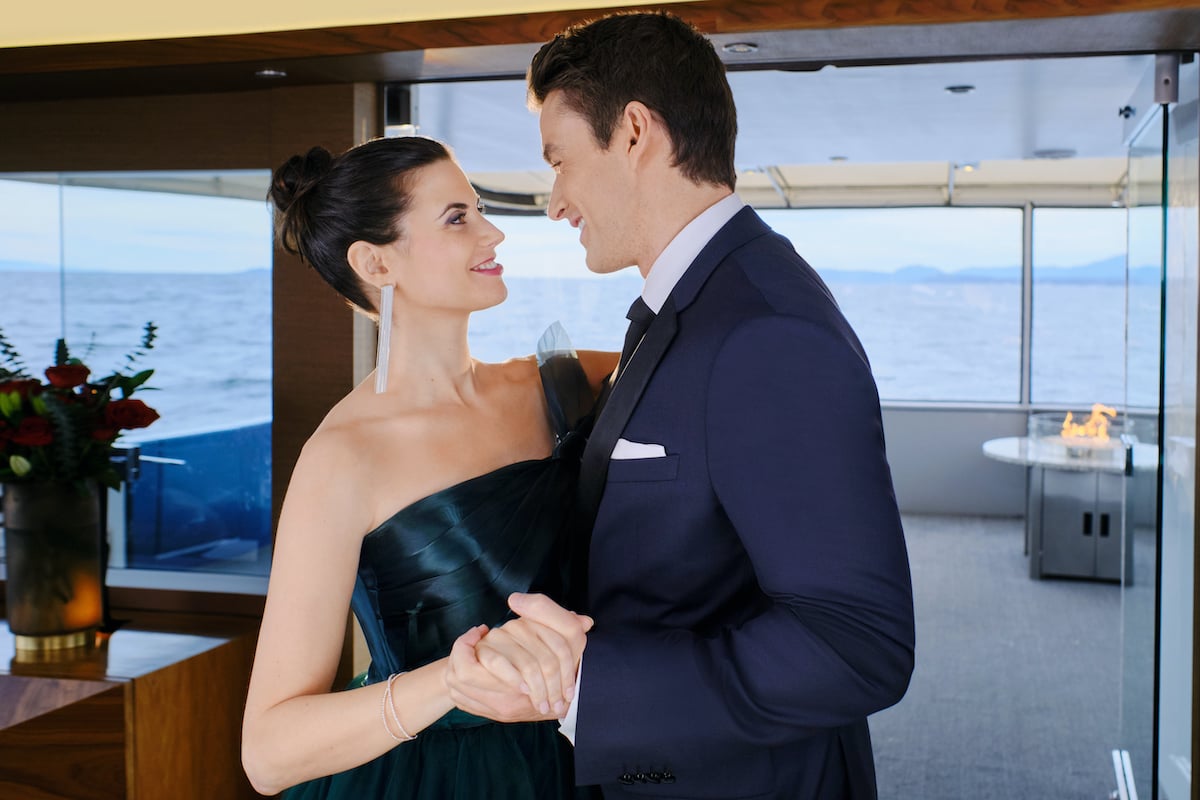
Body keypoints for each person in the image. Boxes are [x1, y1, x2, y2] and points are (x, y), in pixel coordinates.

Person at [445, 11, 916, 799]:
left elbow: (856, 645)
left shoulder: (766, 332)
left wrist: (589, 689)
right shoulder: (696, 303)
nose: (556, 202)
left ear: (634, 132)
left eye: (560, 161)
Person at [241, 135, 616, 799]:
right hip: (439, 777)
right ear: (376, 262)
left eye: (479, 210)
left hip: (593, 747)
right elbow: (268, 754)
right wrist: (450, 682)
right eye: (457, 218)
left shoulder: (561, 383)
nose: (493, 232)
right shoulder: (343, 457)